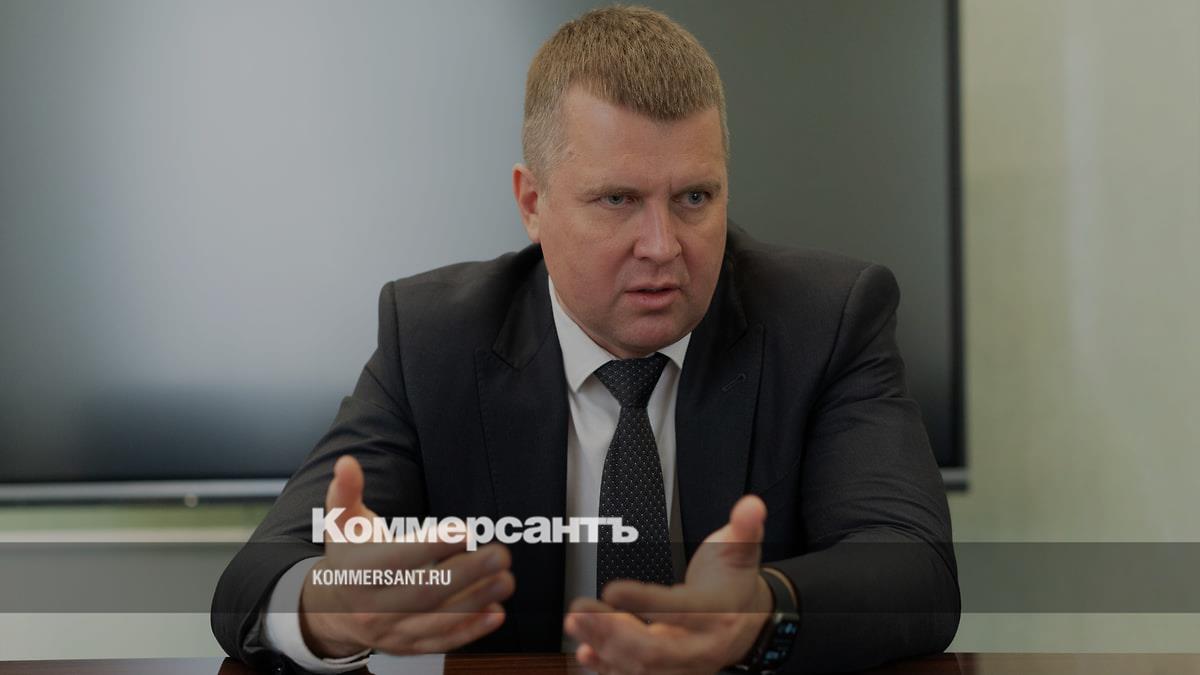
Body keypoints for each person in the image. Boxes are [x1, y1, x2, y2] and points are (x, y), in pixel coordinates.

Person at [211, 6, 960, 674]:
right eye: (618, 200)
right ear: (532, 203)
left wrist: (760, 614)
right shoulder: (435, 340)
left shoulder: (826, 320)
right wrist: (330, 607)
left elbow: (913, 570)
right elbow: (254, 582)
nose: (663, 245)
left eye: (694, 197)